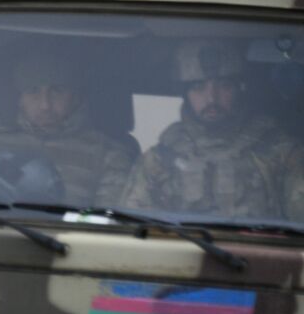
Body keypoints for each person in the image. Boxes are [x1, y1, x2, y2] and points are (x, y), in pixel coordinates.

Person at [121, 39, 301, 218]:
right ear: (185, 93)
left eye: (224, 86)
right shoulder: (159, 160)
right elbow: (134, 230)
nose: (211, 99)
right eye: (198, 87)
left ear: (239, 89)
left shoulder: (281, 154)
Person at [0, 52, 137, 207]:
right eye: (33, 91)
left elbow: (109, 225)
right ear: (20, 99)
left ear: (75, 98)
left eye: (57, 91)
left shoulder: (108, 154)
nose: (45, 104)